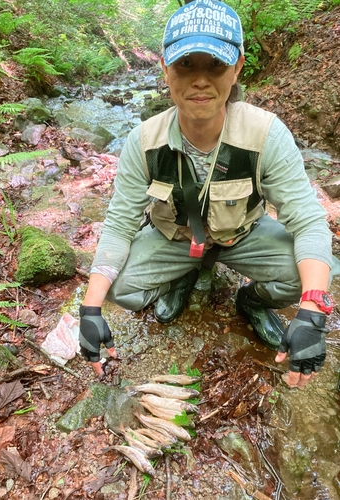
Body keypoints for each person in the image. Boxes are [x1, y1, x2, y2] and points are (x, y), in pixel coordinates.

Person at [78, 0, 340, 388]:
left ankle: (251, 300)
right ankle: (181, 277)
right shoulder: (143, 141)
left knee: (322, 269)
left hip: (244, 236)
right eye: (186, 64)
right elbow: (119, 224)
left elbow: (308, 220)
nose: (200, 80)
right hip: (176, 239)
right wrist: (90, 308)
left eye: (214, 64)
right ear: (165, 69)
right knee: (115, 287)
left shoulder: (266, 134)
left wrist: (312, 311)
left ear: (236, 68)